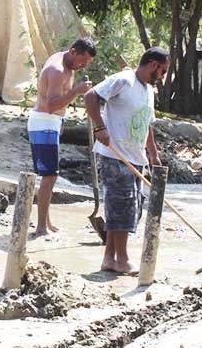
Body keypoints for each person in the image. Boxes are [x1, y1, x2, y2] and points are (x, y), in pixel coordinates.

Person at [84, 47, 168, 273]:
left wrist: (154, 154)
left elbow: (146, 125)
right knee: (122, 206)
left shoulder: (148, 91)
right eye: (163, 71)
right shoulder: (124, 80)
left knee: (131, 208)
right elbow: (91, 96)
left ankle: (109, 259)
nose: (162, 76)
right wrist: (99, 127)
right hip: (115, 154)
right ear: (153, 65)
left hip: (136, 158)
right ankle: (122, 259)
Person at [28, 38, 96, 235]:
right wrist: (76, 91)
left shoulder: (68, 64)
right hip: (44, 122)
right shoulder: (57, 70)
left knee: (51, 176)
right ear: (73, 52)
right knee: (49, 176)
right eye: (82, 62)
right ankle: (41, 227)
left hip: (53, 124)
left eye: (87, 64)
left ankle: (46, 222)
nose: (83, 66)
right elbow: (51, 105)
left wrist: (62, 122)